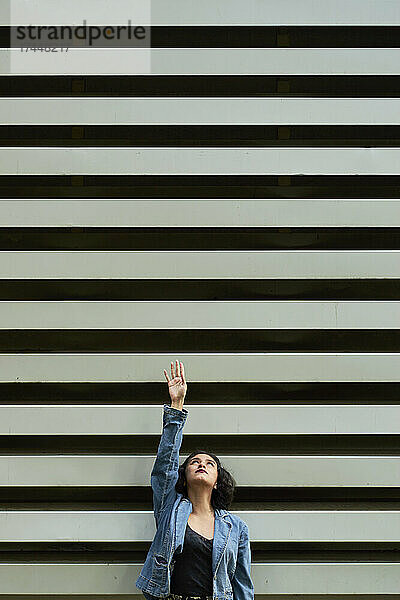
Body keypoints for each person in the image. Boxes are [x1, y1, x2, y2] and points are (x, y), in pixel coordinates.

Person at [135, 360, 254, 600]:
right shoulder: (170, 509)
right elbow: (164, 466)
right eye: (194, 462)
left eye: (210, 464)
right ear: (185, 475)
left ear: (218, 480)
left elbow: (242, 584)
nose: (201, 464)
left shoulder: (236, 528)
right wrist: (176, 406)